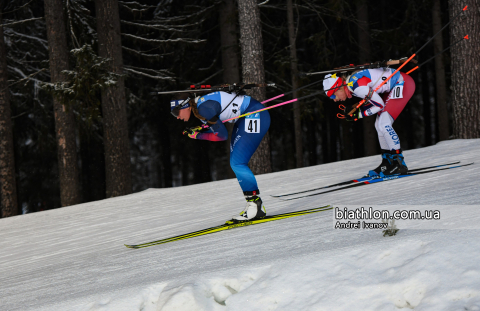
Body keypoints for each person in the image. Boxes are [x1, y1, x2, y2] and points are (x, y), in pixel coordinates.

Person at [170, 90, 270, 222]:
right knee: (236, 162)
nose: (177, 117)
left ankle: (255, 206)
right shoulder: (200, 106)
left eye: (176, 112)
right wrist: (200, 128)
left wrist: (198, 135)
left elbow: (222, 136)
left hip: (255, 115)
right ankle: (255, 205)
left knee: (238, 163)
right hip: (245, 116)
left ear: (185, 106)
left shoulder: (203, 109)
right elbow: (215, 123)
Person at [323, 68, 415, 176]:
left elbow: (379, 104)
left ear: (339, 88)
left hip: (403, 84)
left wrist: (359, 114)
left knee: (384, 124)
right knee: (378, 125)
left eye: (333, 95)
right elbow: (373, 101)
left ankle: (399, 163)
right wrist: (359, 110)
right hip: (394, 86)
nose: (334, 99)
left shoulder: (356, 87)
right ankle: (388, 162)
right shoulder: (352, 84)